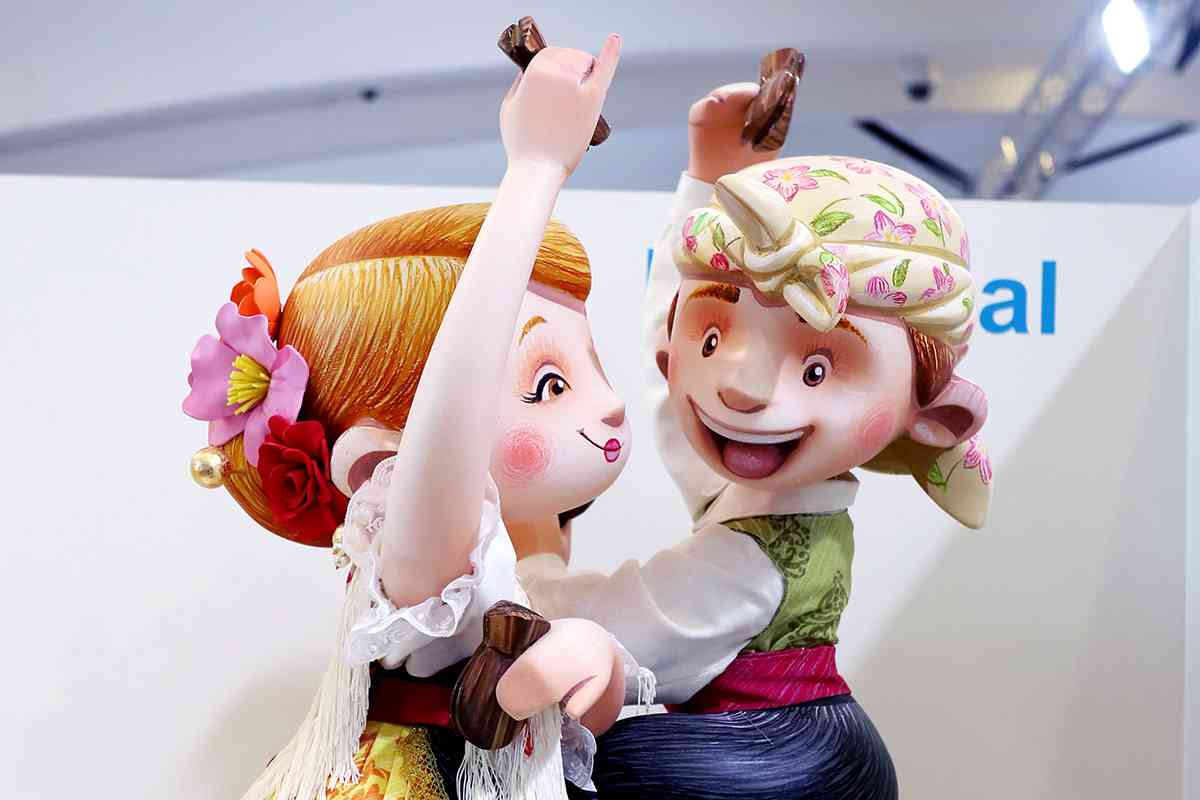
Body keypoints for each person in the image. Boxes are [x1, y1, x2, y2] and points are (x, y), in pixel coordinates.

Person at [183, 35, 644, 800]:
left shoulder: (523, 551)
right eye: (548, 384)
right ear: (384, 466)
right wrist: (534, 171)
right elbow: (447, 429)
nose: (611, 402)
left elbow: (576, 718)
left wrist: (595, 665)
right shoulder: (427, 557)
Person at [516, 83, 993, 800]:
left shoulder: (750, 556)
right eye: (712, 340)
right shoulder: (774, 494)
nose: (739, 389)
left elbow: (622, 627)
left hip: (774, 765)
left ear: (927, 413)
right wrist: (714, 178)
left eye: (816, 368)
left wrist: (533, 564)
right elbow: (670, 366)